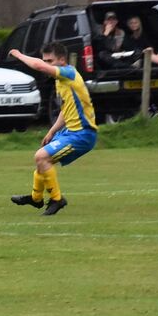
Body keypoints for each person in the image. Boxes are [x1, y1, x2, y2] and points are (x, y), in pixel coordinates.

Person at [8, 42, 97, 216]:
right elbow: (66, 109)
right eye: (45, 60)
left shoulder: (69, 73)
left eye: (50, 60)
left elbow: (38, 66)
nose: (46, 64)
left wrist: (18, 54)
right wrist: (52, 131)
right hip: (69, 132)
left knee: (41, 157)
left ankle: (57, 199)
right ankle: (36, 198)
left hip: (82, 134)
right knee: (42, 161)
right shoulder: (61, 81)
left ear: (62, 60)